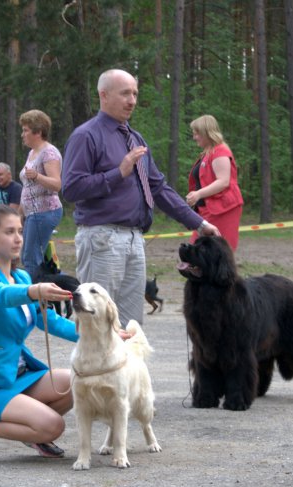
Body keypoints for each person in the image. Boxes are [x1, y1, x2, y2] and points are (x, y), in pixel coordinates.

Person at [62, 68, 220, 327]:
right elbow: (71, 189)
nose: (132, 100)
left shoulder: (135, 138)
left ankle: (126, 370)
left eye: (135, 93)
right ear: (103, 94)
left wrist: (199, 224)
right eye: (125, 93)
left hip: (135, 240)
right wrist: (118, 173)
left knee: (131, 326)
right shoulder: (86, 135)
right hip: (102, 239)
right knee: (97, 325)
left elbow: (158, 188)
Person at [0, 205, 77, 463]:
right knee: (53, 426)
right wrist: (34, 290)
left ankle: (31, 425)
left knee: (77, 381)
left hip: (22, 378)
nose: (18, 238)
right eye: (9, 231)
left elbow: (51, 322)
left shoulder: (22, 276)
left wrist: (103, 335)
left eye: (20, 231)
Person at [186, 115, 244, 251]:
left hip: (223, 209)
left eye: (197, 134)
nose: (194, 137)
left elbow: (223, 181)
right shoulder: (207, 153)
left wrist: (198, 194)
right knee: (197, 252)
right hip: (207, 210)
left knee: (218, 252)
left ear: (207, 133)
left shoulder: (221, 151)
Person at [18, 110, 63, 275]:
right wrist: (19, 213)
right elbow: (27, 187)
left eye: (25, 130)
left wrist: (37, 176)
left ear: (37, 132)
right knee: (32, 258)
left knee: (30, 258)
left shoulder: (49, 153)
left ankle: (35, 298)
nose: (22, 135)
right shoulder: (32, 153)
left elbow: (56, 184)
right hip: (32, 213)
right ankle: (54, 290)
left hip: (45, 212)